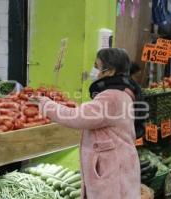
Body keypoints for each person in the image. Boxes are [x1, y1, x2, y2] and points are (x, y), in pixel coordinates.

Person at [37, 48, 141, 199]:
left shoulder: (111, 97)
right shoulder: (123, 92)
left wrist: (45, 104)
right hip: (118, 164)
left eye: (96, 66)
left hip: (112, 169)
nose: (93, 70)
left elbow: (76, 117)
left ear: (110, 71)